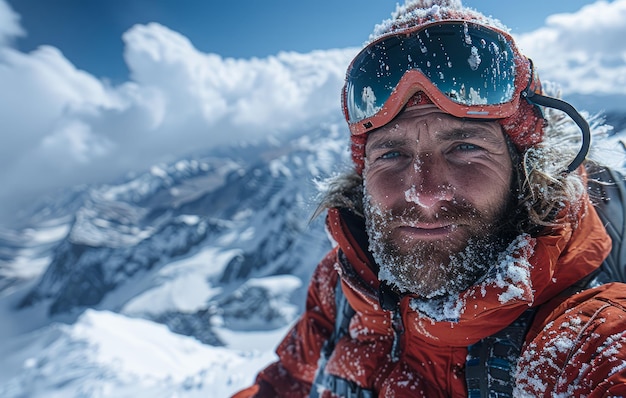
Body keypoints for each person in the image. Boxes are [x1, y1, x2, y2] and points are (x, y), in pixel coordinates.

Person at [234, 0, 626, 396]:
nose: (424, 194)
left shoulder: (585, 341)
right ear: (364, 172)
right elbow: (282, 384)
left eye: (465, 147)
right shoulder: (342, 284)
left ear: (524, 167)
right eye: (392, 154)